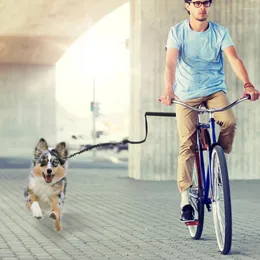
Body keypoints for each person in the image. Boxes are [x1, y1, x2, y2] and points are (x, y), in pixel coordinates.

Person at [160, 0, 260, 222]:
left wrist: (247, 84)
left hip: (214, 91)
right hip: (186, 93)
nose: (201, 7)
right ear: (188, 6)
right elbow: (170, 63)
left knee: (229, 121)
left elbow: (233, 58)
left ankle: (218, 163)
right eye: (196, 3)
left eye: (205, 2)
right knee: (187, 143)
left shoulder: (219, 32)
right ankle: (185, 199)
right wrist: (169, 90)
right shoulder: (177, 32)